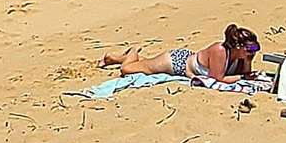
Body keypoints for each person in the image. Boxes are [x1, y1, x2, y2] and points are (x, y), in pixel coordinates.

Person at [102, 25, 262, 86]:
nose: (254, 51)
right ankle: (132, 52)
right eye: (251, 48)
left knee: (145, 64)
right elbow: (217, 78)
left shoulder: (242, 55)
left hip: (189, 61)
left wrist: (248, 61)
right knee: (127, 70)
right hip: (176, 63)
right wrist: (242, 78)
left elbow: (244, 73)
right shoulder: (220, 51)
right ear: (238, 47)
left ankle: (119, 58)